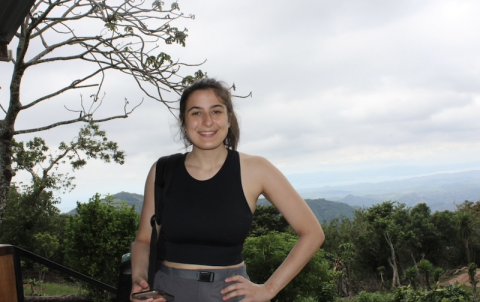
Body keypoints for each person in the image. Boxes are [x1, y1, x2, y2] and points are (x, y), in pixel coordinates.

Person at [130, 78, 325, 302]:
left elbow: (312, 232)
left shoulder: (256, 169)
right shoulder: (163, 170)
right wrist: (139, 281)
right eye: (196, 113)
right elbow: (144, 240)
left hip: (229, 294)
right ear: (184, 122)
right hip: (168, 292)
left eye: (216, 111)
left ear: (229, 118)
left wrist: (269, 289)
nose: (207, 121)